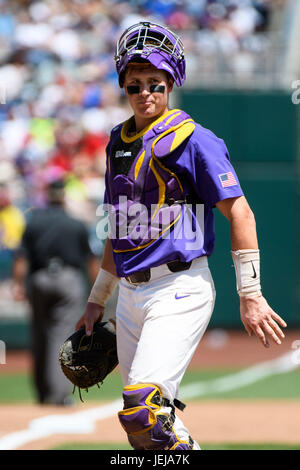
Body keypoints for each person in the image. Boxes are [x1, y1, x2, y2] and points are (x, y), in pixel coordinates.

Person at [75, 22, 287, 450]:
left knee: (143, 409)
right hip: (131, 298)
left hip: (179, 287)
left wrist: (251, 293)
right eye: (134, 86)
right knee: (147, 434)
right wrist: (97, 301)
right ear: (124, 88)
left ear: (171, 83)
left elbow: (241, 212)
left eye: (155, 83)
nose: (145, 92)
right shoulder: (118, 141)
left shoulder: (194, 139)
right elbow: (118, 230)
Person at [13, 179, 98, 406]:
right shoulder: (75, 224)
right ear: (63, 197)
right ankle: (58, 394)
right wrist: (97, 293)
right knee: (60, 336)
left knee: (39, 335)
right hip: (68, 280)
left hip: (39, 279)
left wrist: (18, 285)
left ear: (47, 195)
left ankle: (41, 392)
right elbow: (91, 261)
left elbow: (21, 258)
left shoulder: (34, 222)